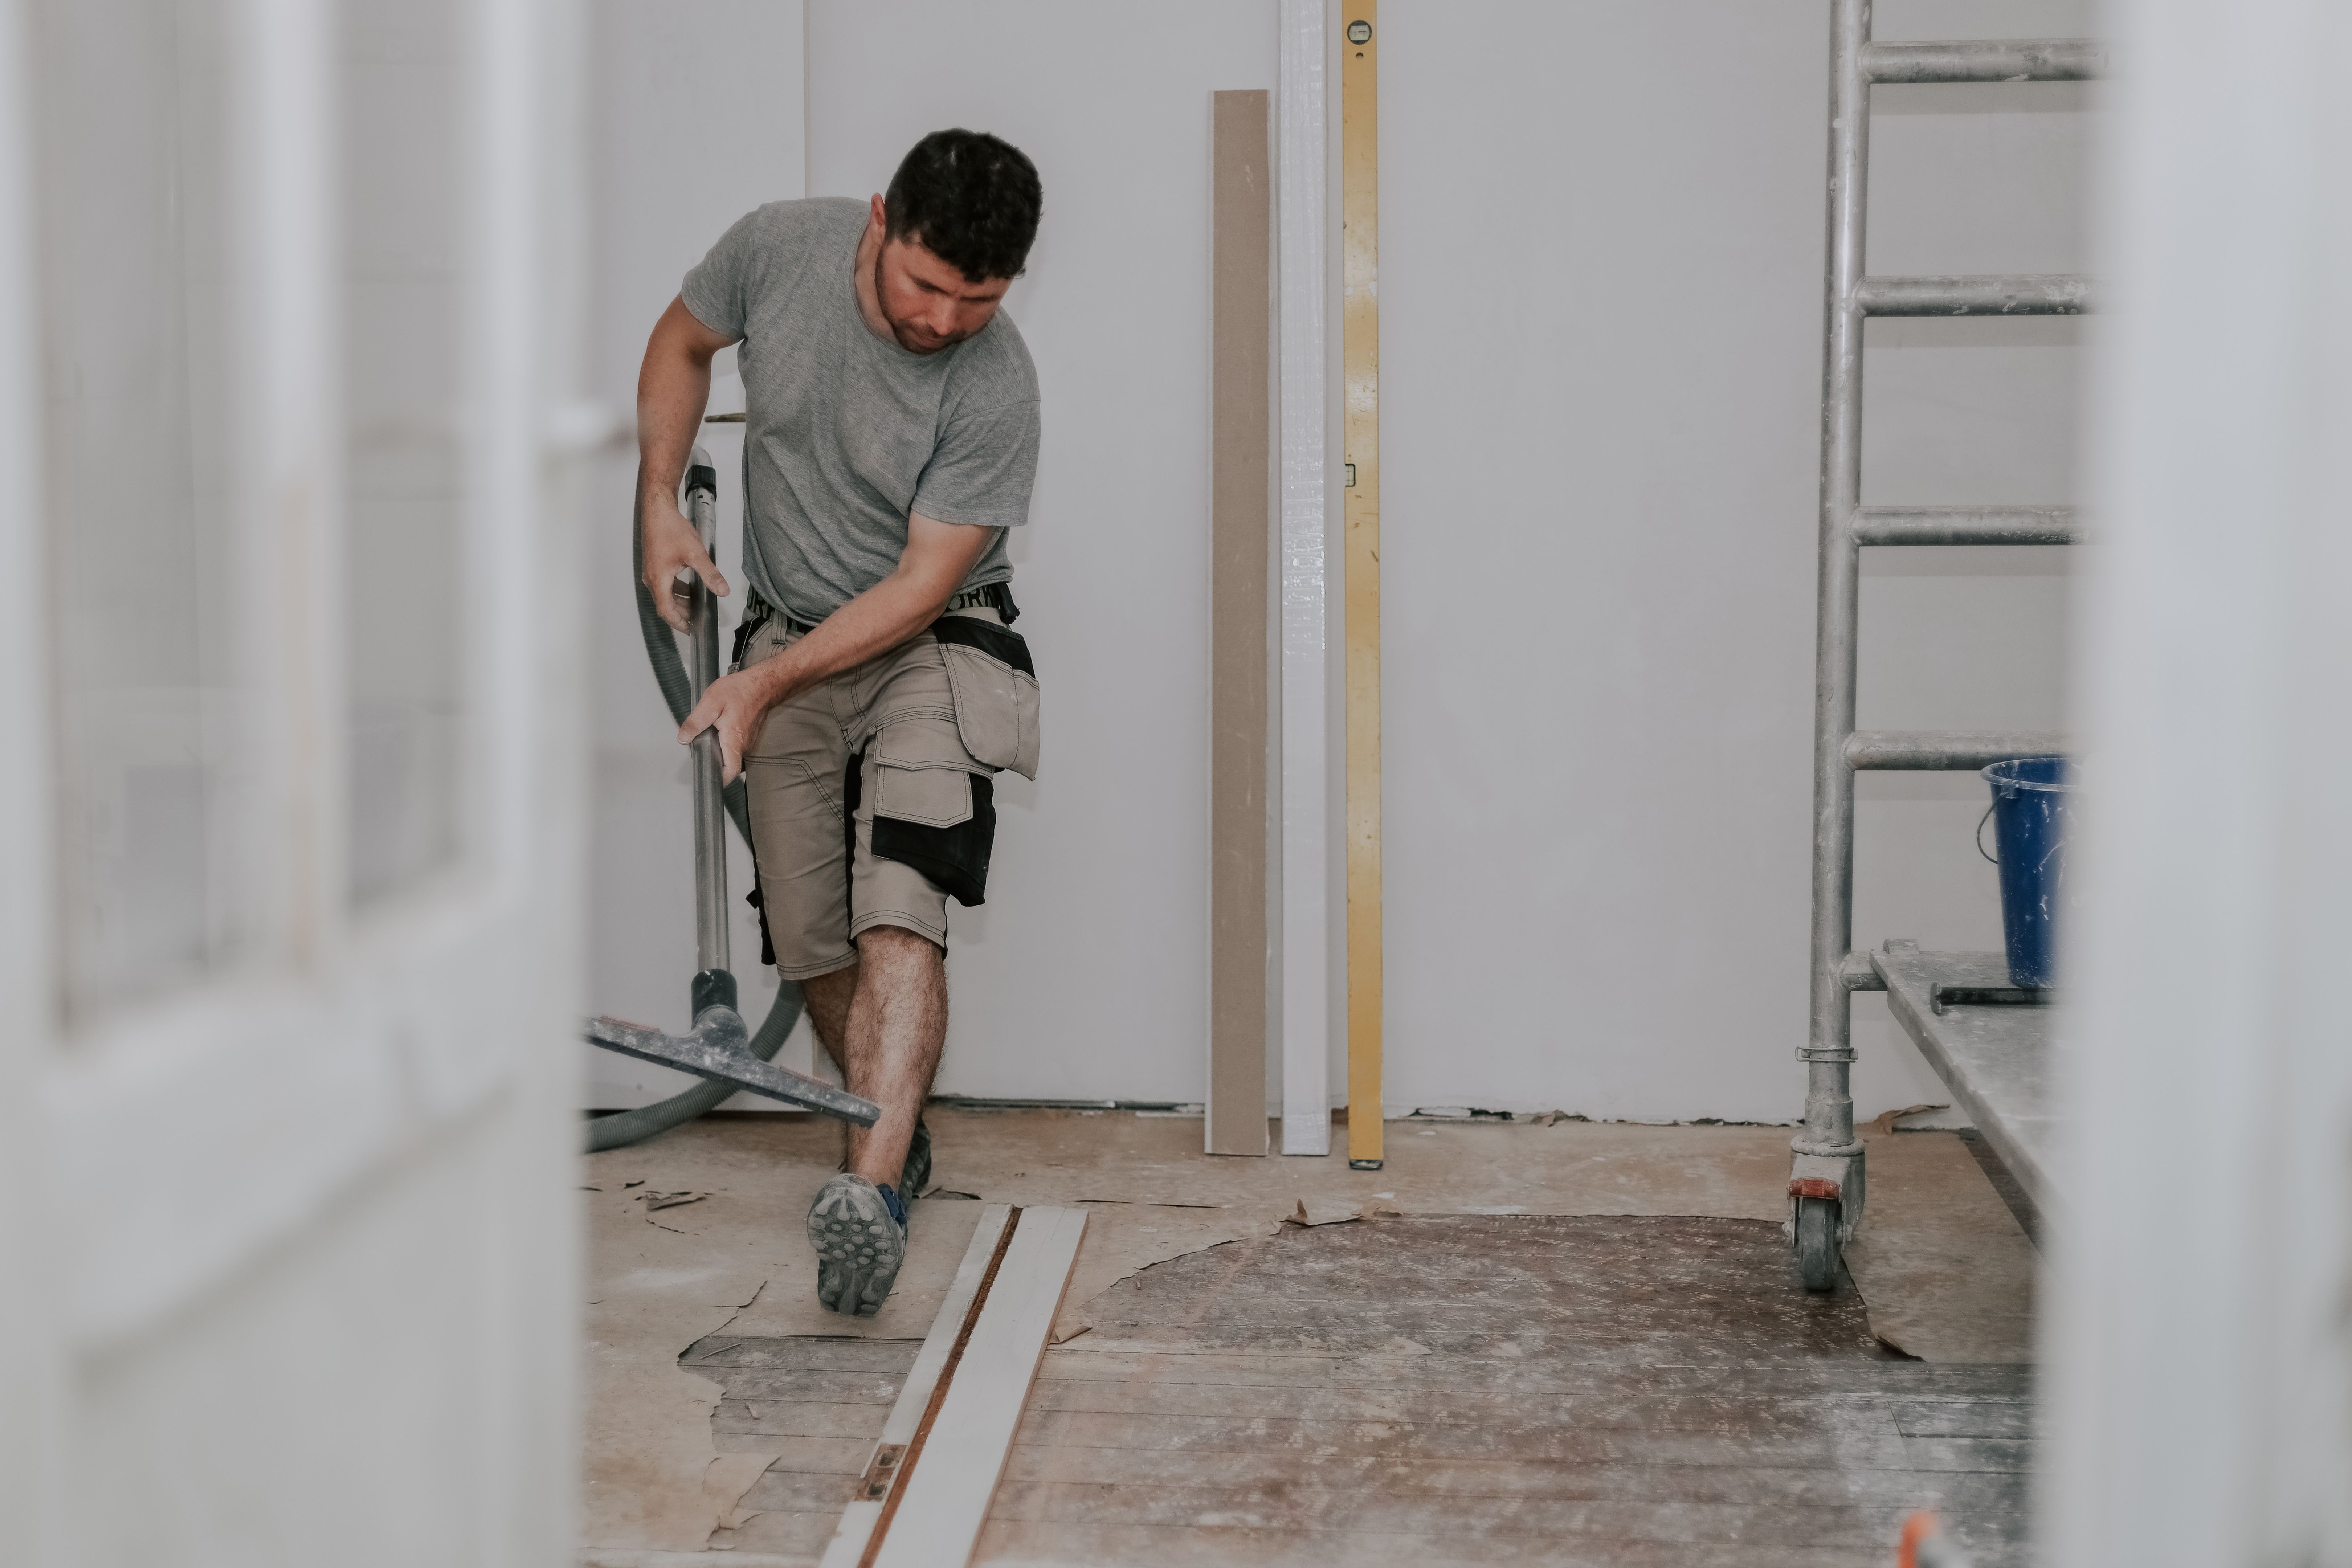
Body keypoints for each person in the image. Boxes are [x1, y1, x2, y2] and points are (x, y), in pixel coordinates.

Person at [633, 130, 1044, 1316]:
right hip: (792, 622)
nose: (943, 322)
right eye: (926, 286)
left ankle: (867, 1190)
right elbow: (682, 339)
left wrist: (758, 687)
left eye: (979, 300)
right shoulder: (779, 249)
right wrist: (661, 501)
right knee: (814, 935)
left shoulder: (996, 382)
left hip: (934, 640)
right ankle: (889, 1132)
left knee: (899, 910)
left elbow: (919, 586)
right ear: (878, 219)